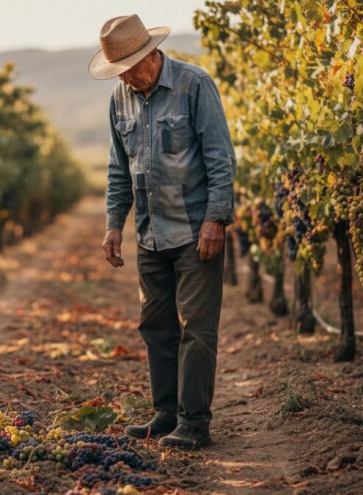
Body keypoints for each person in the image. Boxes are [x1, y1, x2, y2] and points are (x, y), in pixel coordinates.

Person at [89, 14, 236, 450]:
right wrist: (114, 225)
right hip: (150, 233)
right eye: (121, 71)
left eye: (134, 66)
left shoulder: (194, 85)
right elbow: (119, 168)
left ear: (153, 53)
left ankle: (195, 422)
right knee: (155, 325)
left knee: (196, 327)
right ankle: (166, 412)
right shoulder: (121, 98)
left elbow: (220, 157)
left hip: (195, 230)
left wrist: (216, 218)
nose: (129, 77)